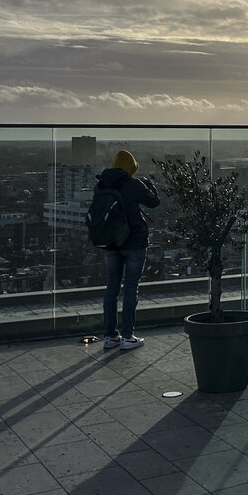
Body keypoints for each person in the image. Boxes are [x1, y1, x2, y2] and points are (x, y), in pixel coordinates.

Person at [97, 149, 160, 350]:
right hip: (134, 243)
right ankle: (127, 336)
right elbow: (154, 202)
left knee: (112, 287)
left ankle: (109, 336)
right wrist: (150, 185)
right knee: (131, 287)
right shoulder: (133, 184)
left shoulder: (101, 184)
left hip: (111, 242)